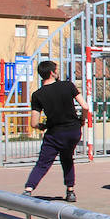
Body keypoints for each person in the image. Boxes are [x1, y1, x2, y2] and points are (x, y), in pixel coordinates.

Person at [22, 61, 89, 201]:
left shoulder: (37, 95)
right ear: (52, 73)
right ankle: (70, 191)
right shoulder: (68, 85)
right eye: (56, 70)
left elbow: (34, 122)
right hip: (73, 130)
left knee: (43, 162)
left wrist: (41, 126)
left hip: (55, 132)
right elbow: (85, 106)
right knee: (67, 158)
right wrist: (81, 120)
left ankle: (29, 188)